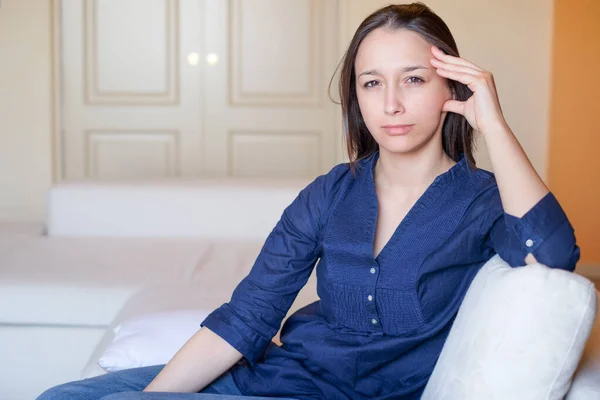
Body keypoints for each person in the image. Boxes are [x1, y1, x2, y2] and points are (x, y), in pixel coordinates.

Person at [38, 3, 580, 400]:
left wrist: (495, 124)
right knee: (65, 398)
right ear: (356, 98)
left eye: (414, 79)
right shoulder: (330, 192)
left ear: (452, 89)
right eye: (371, 84)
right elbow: (248, 315)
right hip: (280, 376)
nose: (391, 103)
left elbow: (554, 255)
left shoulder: (484, 200)